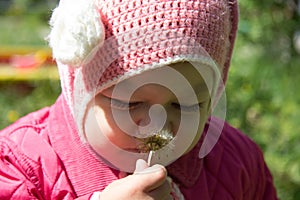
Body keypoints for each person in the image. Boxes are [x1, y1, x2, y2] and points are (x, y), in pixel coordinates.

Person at [0, 0, 278, 199]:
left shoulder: (237, 163)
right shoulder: (20, 169)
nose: (158, 125)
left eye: (188, 105)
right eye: (129, 103)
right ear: (80, 88)